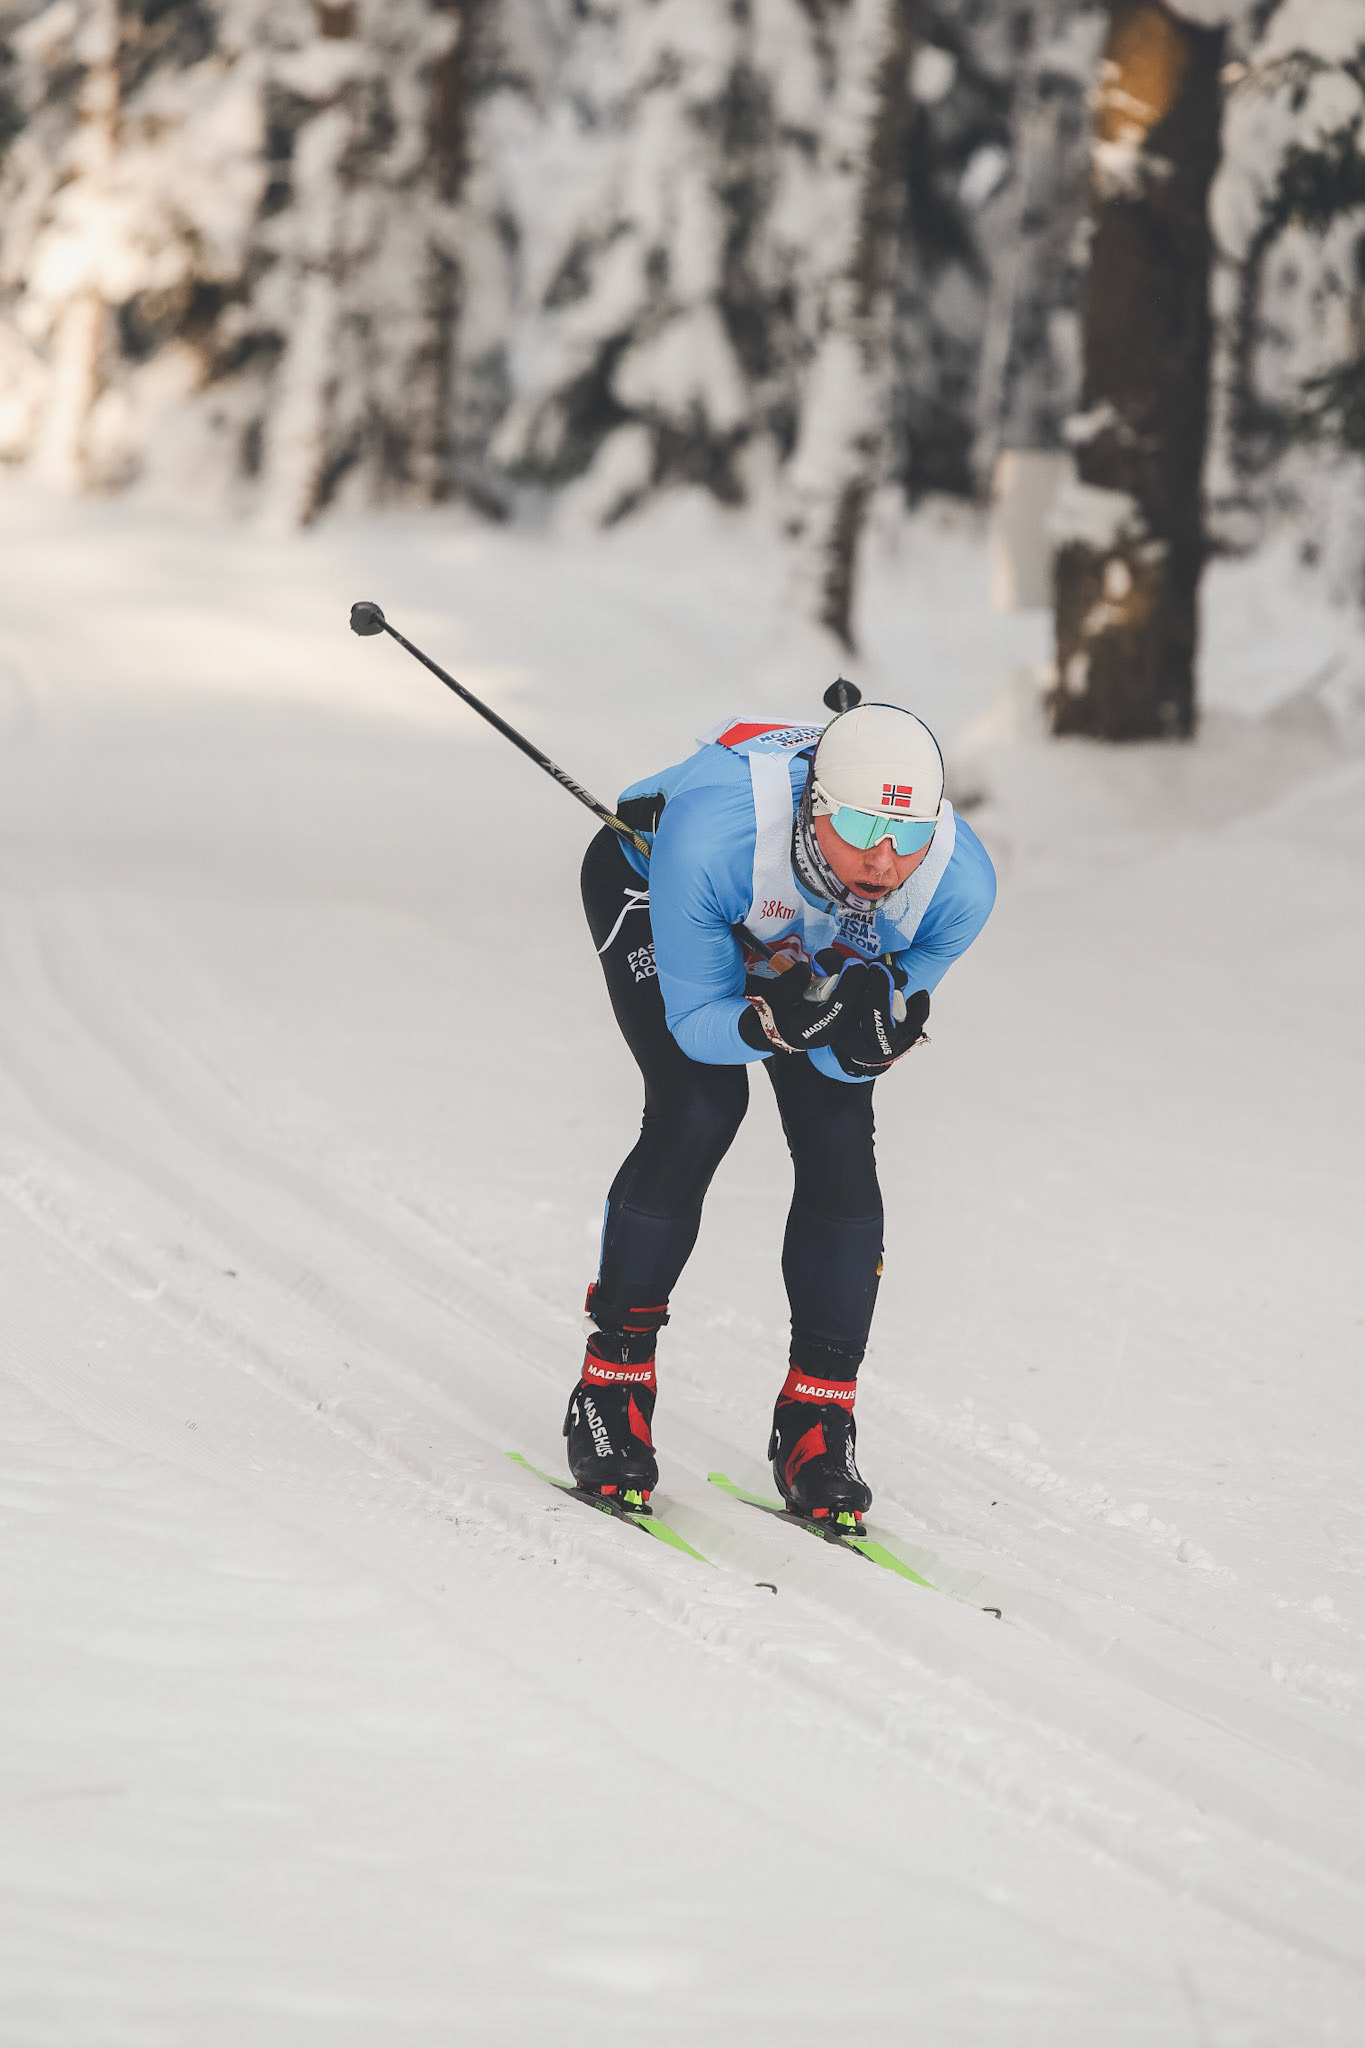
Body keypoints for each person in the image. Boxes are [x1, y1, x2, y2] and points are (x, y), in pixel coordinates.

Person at [565, 699, 996, 1526]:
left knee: (837, 1133)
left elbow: (845, 1053)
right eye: (865, 827)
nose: (883, 859)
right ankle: (610, 1384)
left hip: (803, 930)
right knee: (699, 1106)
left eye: (907, 835)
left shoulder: (957, 887)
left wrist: (862, 1042)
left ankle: (817, 1418)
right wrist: (772, 1022)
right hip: (660, 878)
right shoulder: (716, 835)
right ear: (815, 805)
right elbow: (698, 1027)